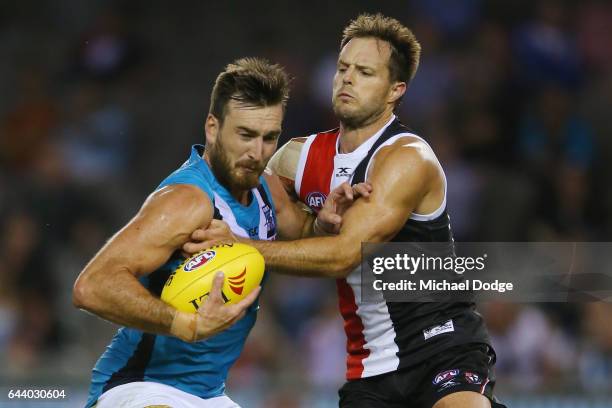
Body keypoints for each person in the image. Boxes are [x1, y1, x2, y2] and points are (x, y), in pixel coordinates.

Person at [188, 14, 505, 408]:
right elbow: (269, 213)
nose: (347, 78)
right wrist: (315, 224)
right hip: (369, 366)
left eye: (365, 72)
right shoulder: (298, 157)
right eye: (343, 68)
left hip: (443, 344)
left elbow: (344, 254)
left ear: (395, 90)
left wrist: (237, 247)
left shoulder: (407, 158)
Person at [73, 57, 367, 408]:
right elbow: (92, 287)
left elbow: (305, 236)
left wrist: (324, 220)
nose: (257, 153)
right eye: (245, 135)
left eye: (269, 138)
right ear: (212, 127)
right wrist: (186, 324)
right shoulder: (186, 201)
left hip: (208, 395)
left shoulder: (265, 187)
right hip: (140, 387)